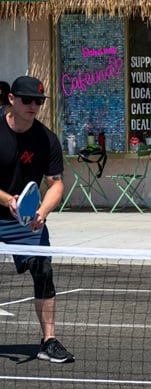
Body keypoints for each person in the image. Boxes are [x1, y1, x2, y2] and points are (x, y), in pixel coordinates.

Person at [0, 76, 73, 363]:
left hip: (25, 222)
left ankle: (48, 341)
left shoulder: (47, 139)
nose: (33, 106)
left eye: (38, 101)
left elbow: (56, 184)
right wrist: (9, 201)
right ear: (11, 100)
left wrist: (41, 212)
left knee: (43, 270)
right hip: (6, 206)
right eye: (27, 100)